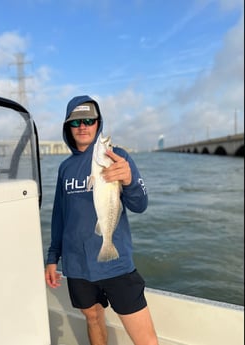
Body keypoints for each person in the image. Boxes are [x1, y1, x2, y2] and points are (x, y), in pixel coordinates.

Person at [45, 95, 159, 345]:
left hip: (116, 264)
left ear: (99, 124)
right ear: (68, 127)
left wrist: (129, 181)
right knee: (93, 318)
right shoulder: (65, 168)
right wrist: (53, 258)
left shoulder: (117, 157)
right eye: (76, 122)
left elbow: (140, 205)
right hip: (77, 266)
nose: (83, 126)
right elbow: (59, 216)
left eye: (89, 120)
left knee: (145, 339)